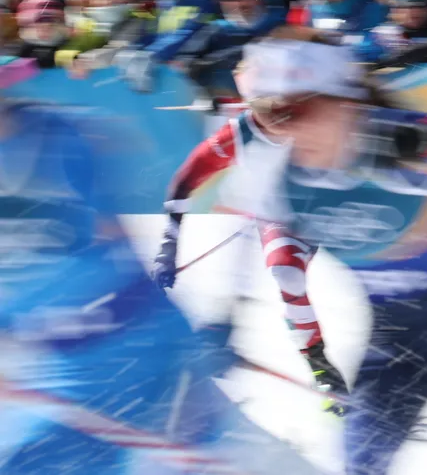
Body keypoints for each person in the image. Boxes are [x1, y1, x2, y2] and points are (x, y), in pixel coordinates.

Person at [150, 28, 427, 475]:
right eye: (268, 113)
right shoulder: (270, 173)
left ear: (344, 103)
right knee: (359, 465)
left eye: (299, 110)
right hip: (395, 341)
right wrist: (224, 325)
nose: (284, 128)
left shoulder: (392, 138)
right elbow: (248, 264)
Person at [0, 56, 321, 475]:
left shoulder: (56, 137)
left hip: (129, 347)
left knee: (214, 454)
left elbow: (105, 245)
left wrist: (184, 342)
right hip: (63, 364)